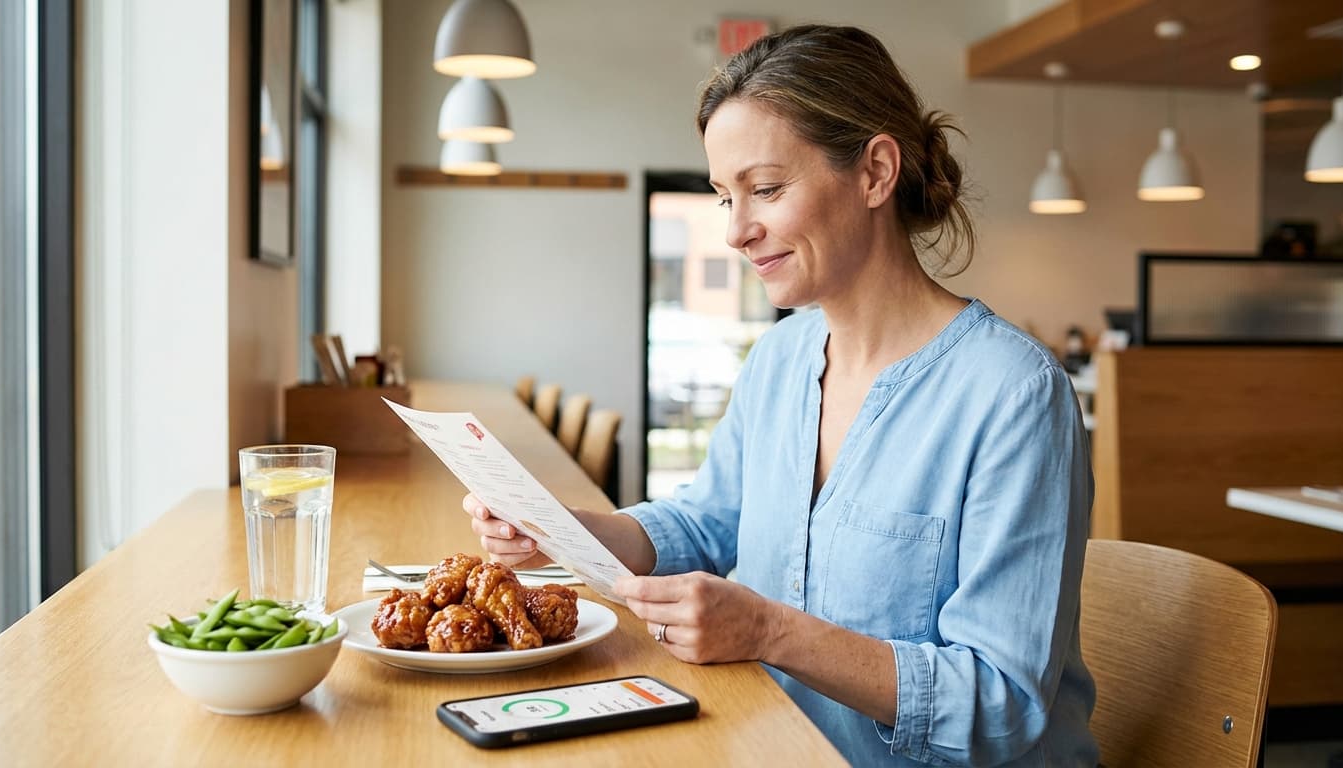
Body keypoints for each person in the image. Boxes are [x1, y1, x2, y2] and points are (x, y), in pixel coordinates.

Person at [463, 24, 1097, 767]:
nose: (736, 230)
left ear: (875, 173)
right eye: (724, 196)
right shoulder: (781, 358)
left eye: (765, 189)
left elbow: (1000, 704)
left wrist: (769, 631)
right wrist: (570, 531)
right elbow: (706, 521)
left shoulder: (1014, 396)